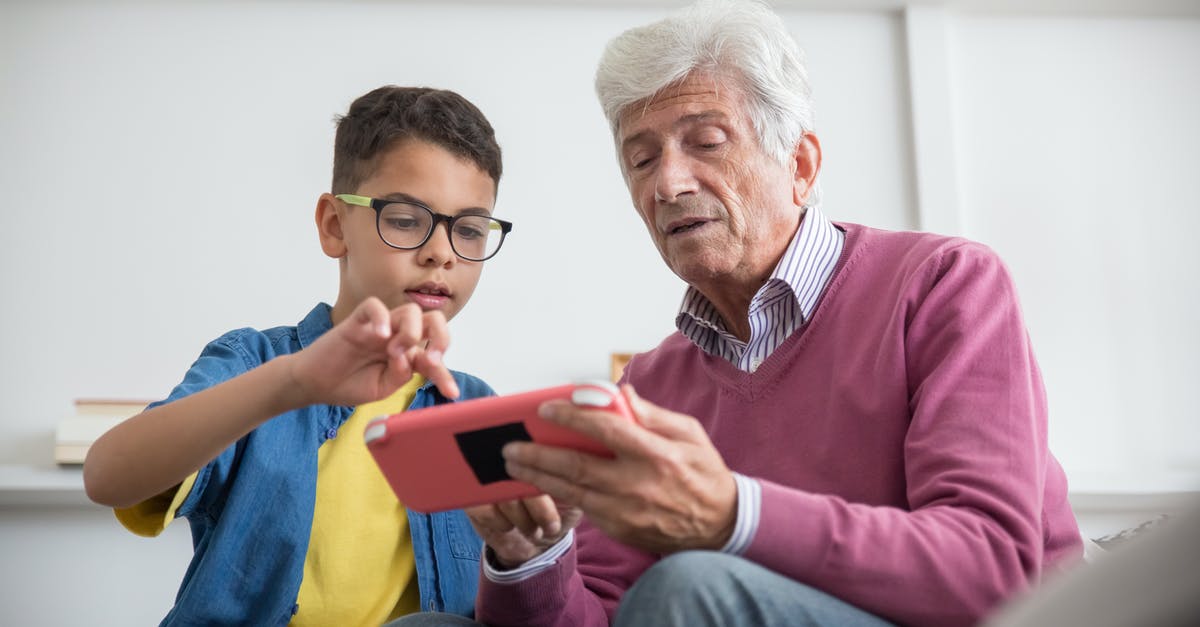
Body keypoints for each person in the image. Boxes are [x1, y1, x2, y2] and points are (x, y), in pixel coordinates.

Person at [395, 2, 1085, 627]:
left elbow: (992, 571)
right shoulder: (650, 383)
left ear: (801, 164)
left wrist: (731, 511)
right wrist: (531, 559)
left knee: (688, 587)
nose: (667, 182)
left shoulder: (943, 284)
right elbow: (600, 614)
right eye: (641, 158)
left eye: (706, 141)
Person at [83, 85, 513, 626]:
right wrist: (293, 384)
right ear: (335, 226)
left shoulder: (478, 412)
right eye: (406, 219)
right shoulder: (255, 363)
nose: (441, 252)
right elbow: (106, 477)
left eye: (470, 230)